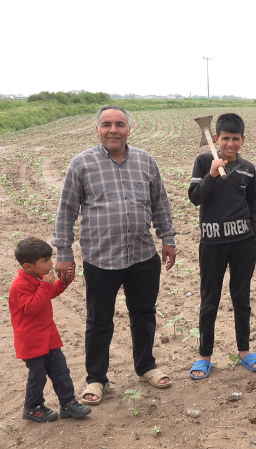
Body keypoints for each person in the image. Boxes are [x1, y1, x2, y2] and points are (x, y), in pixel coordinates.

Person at [53, 104, 178, 405]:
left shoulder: (146, 161)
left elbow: (160, 203)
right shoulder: (81, 164)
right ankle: (96, 378)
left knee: (144, 314)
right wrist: (64, 252)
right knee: (99, 320)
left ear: (129, 129)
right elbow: (67, 211)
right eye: (107, 124)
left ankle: (145, 365)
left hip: (142, 254)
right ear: (97, 129)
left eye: (120, 124)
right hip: (100, 256)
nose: (113, 130)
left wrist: (168, 238)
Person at [188, 113, 256, 379]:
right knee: (209, 300)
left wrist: (255, 235)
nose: (230, 144)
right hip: (212, 244)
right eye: (225, 139)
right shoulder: (204, 161)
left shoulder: (248, 169)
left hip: (243, 243)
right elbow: (196, 198)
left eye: (235, 139)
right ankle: (204, 356)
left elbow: (254, 202)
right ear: (216, 138)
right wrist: (210, 175)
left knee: (241, 298)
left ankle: (244, 351)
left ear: (242, 140)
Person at [10, 238, 92, 422]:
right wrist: (46, 285)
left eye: (49, 259)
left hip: (49, 337)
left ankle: (68, 402)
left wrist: (65, 281)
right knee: (37, 376)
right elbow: (32, 308)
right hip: (32, 342)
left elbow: (50, 294)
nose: (51, 264)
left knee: (61, 371)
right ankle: (32, 407)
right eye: (45, 261)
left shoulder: (37, 277)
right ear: (28, 266)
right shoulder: (20, 285)